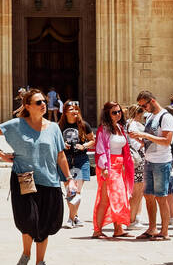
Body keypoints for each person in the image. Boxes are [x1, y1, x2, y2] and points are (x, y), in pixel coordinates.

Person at [0, 88, 78, 265]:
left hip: (49, 180)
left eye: (44, 101)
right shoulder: (17, 124)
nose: (43, 104)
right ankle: (27, 253)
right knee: (29, 219)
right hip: (24, 177)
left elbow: (60, 155)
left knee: (45, 222)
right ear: (27, 106)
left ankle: (40, 262)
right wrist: (1, 154)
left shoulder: (53, 128)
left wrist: (69, 179)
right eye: (38, 102)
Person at [130, 91, 173, 240]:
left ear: (153, 101)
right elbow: (149, 142)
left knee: (161, 197)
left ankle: (165, 231)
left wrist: (144, 135)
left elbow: (166, 141)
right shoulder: (150, 117)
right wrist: (138, 139)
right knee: (148, 196)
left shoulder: (166, 117)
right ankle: (152, 228)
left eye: (144, 105)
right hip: (149, 160)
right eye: (141, 107)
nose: (143, 109)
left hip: (162, 162)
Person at [93, 102, 134, 239]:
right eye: (114, 112)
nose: (118, 114)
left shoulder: (120, 128)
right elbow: (100, 149)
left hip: (120, 167)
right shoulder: (103, 129)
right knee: (105, 198)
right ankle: (97, 230)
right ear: (107, 114)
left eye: (119, 111)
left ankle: (118, 229)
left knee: (119, 197)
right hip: (108, 167)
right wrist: (104, 167)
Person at [59, 100, 95, 227]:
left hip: (81, 160)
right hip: (65, 161)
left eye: (76, 109)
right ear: (65, 112)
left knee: (77, 191)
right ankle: (75, 217)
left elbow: (92, 140)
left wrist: (83, 146)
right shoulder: (59, 126)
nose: (74, 112)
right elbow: (54, 142)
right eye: (71, 110)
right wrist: (62, 145)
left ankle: (70, 218)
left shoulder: (84, 125)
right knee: (70, 191)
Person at [125, 104, 146, 227]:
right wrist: (145, 142)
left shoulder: (127, 123)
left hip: (134, 159)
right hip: (138, 159)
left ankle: (133, 218)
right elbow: (134, 142)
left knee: (136, 191)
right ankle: (131, 220)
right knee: (137, 191)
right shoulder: (133, 124)